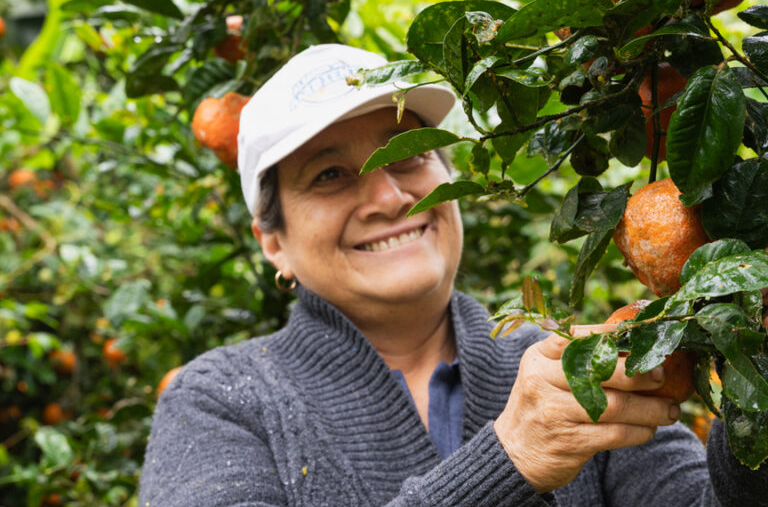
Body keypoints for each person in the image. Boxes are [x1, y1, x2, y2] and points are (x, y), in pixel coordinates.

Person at [138, 44, 768, 506]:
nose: (388, 197)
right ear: (272, 241)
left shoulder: (568, 367)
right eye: (329, 175)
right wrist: (509, 459)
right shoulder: (219, 401)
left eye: (407, 154)